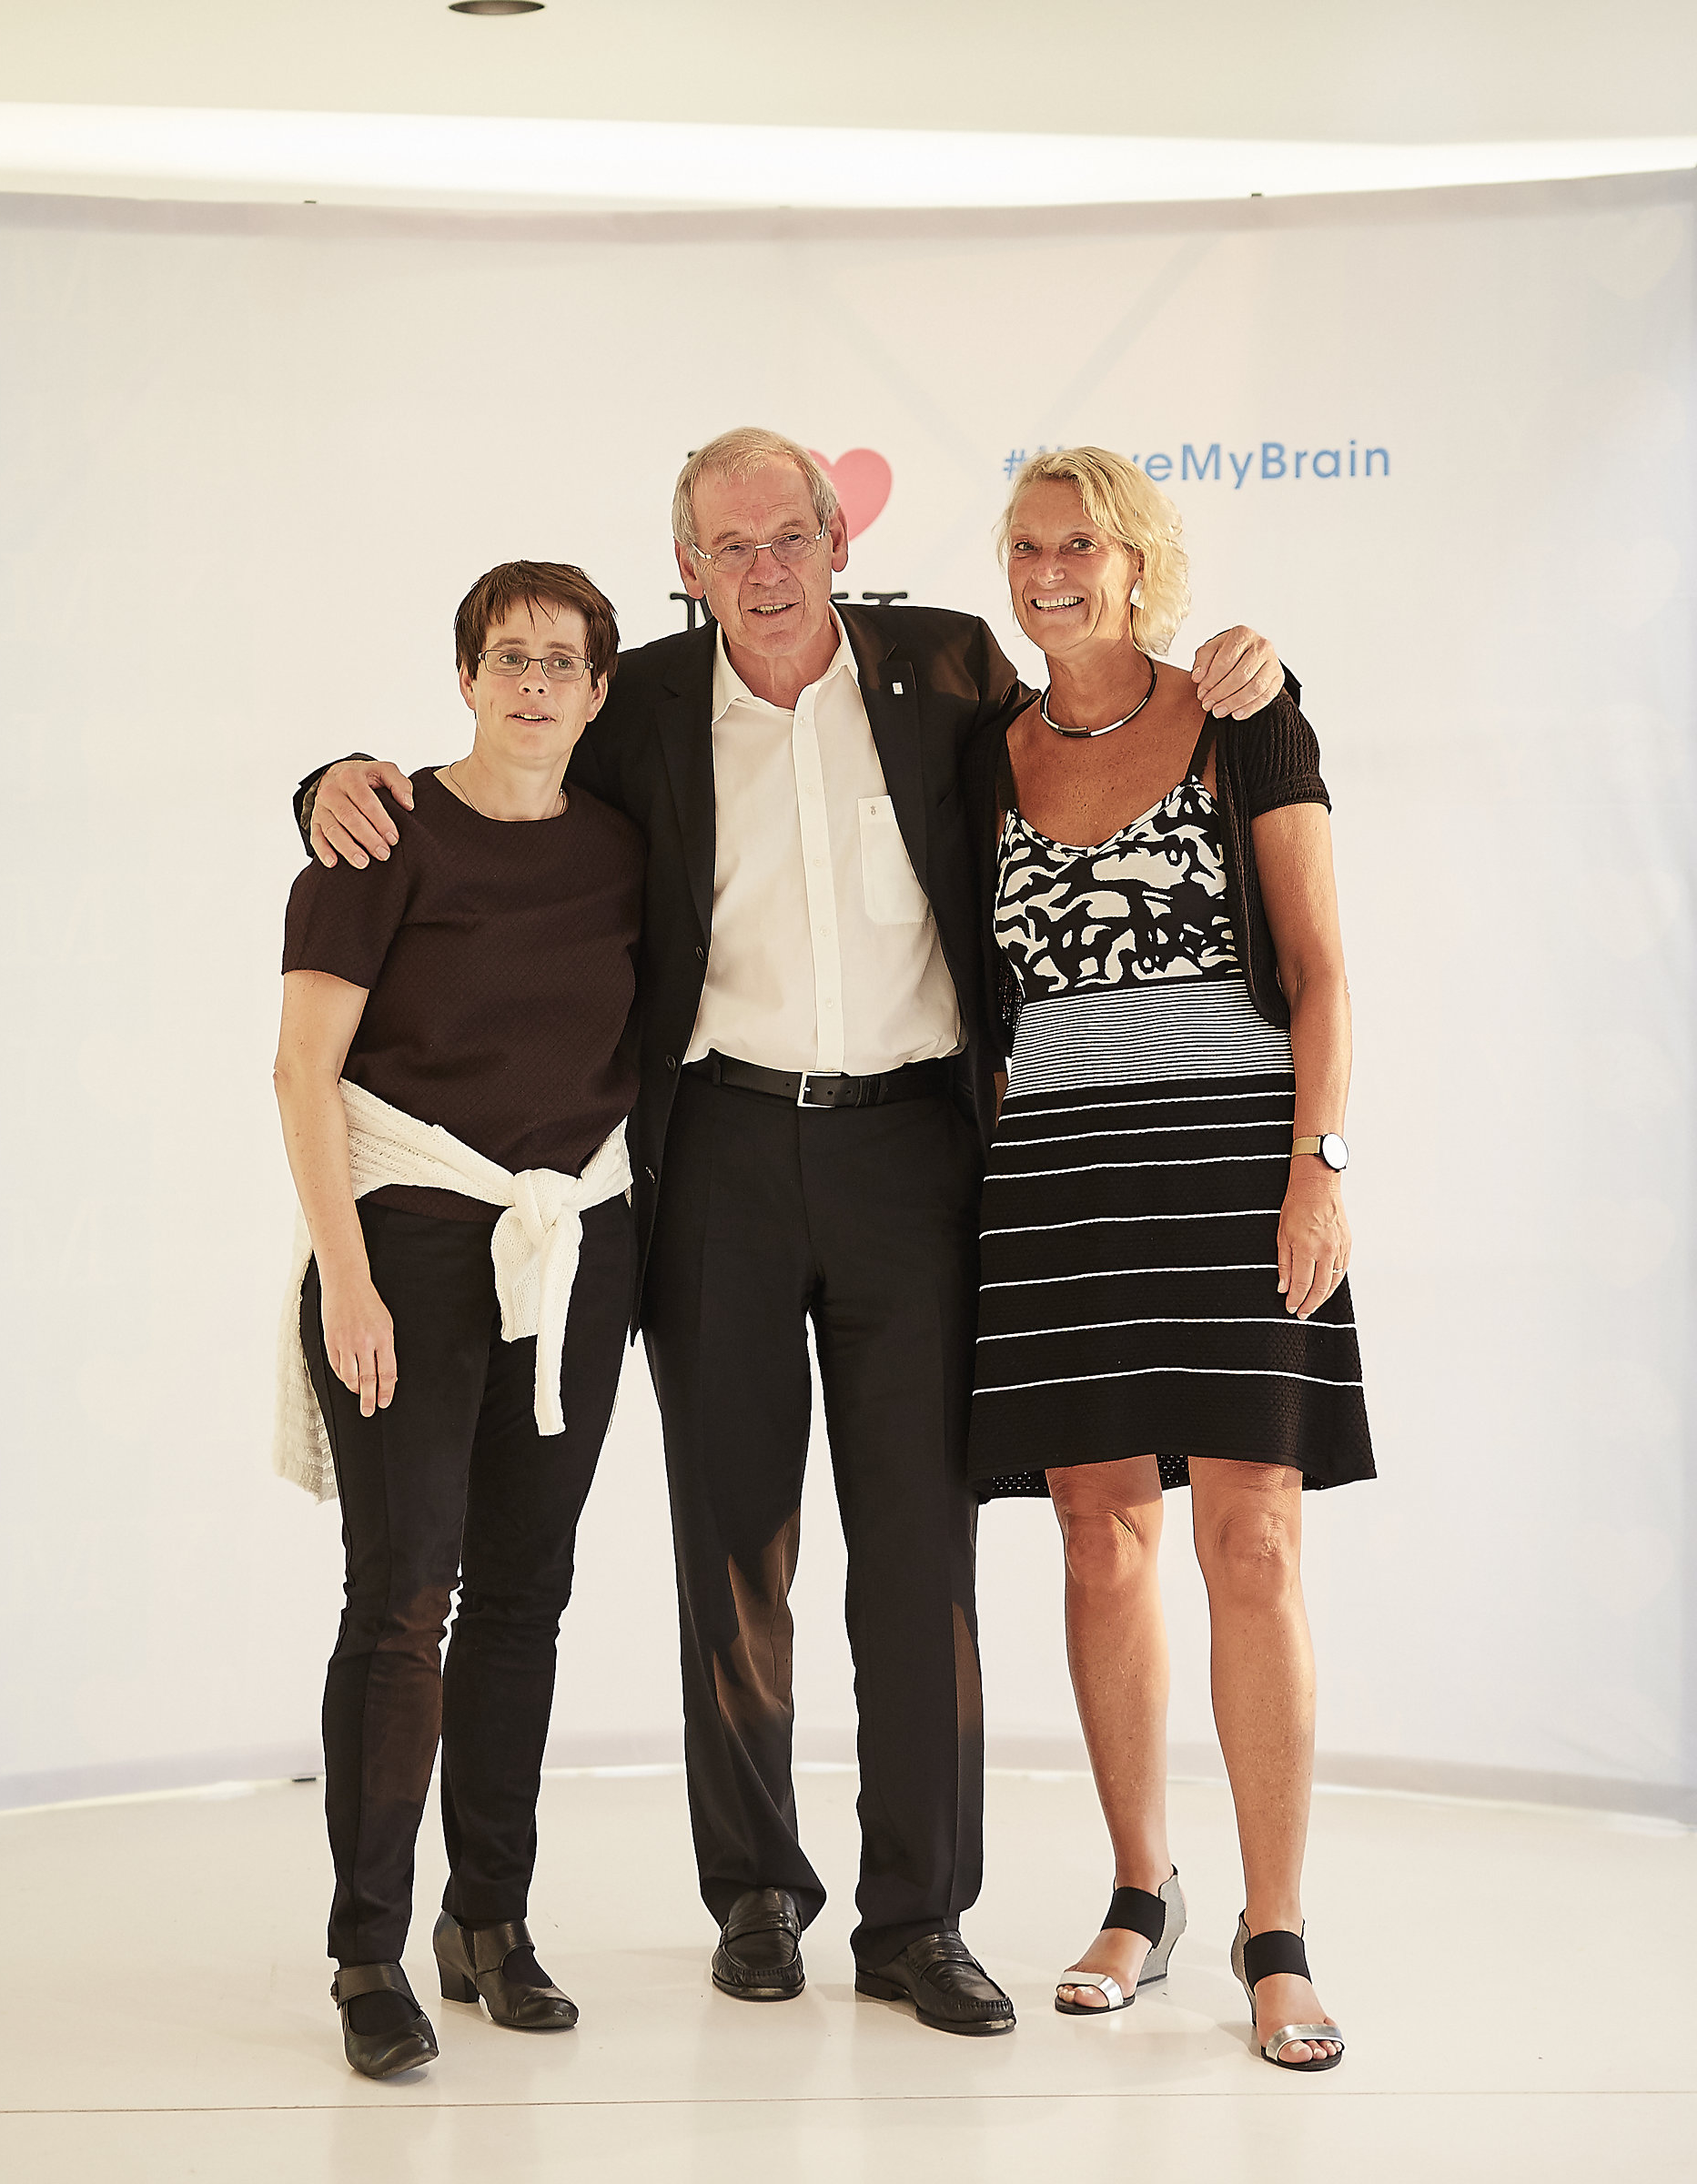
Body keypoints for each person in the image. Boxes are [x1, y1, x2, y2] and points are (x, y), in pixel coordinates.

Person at [302, 430, 1283, 2037]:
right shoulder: (635, 709)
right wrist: (330, 780)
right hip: (720, 1156)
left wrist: (1247, 675)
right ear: (687, 568)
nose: (765, 570)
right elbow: (498, 778)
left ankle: (919, 1918)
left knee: (919, 1551)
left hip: (916, 1158)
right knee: (732, 1544)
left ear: (840, 540)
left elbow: (1100, 715)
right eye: (728, 546)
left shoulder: (948, 668)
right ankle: (755, 1894)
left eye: (789, 536)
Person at [974, 449, 1370, 2072]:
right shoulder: (983, 750)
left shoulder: (1243, 715)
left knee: (1254, 1540)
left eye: (1081, 543)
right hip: (1058, 1178)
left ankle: (1278, 1931)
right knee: (1097, 1538)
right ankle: (1143, 1892)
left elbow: (1320, 967)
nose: (1050, 570)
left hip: (1230, 1164)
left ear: (1138, 561)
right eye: (1025, 546)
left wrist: (1317, 1169)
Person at [270, 561, 642, 2081]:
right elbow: (302, 1072)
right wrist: (345, 1275)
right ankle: (368, 1948)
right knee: (402, 1593)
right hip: (407, 1251)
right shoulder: (377, 836)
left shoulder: (624, 846)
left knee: (525, 1597)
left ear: (601, 692)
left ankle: (489, 1917)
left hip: (575, 1251)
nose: (534, 685)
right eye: (508, 658)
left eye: (562, 662)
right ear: (467, 678)